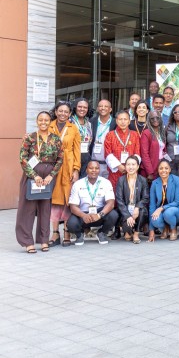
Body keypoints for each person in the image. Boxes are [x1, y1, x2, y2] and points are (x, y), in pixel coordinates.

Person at [16, 111, 63, 253]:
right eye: (41, 120)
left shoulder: (56, 139)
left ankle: (43, 240)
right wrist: (34, 176)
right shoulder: (30, 138)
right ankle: (27, 241)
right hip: (32, 176)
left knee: (45, 208)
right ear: (37, 121)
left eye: (46, 120)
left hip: (48, 177)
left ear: (50, 122)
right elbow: (23, 158)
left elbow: (60, 159)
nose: (44, 122)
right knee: (28, 209)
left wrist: (51, 176)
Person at [49, 101, 82, 248]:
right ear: (56, 112)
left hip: (68, 167)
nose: (63, 113)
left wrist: (76, 170)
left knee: (68, 200)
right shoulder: (49, 126)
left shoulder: (73, 128)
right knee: (54, 201)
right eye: (60, 111)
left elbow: (77, 151)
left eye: (66, 111)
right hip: (52, 167)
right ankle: (55, 232)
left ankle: (67, 231)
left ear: (69, 114)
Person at [67, 160, 119, 246]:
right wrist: (83, 215)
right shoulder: (78, 184)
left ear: (99, 170)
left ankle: (102, 233)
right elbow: (73, 207)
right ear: (86, 170)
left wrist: (99, 215)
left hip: (99, 214)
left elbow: (111, 203)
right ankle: (79, 235)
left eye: (96, 168)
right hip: (83, 214)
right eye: (91, 168)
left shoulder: (106, 182)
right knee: (71, 223)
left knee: (113, 215)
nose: (94, 170)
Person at [148, 160, 179, 242]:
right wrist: (151, 231)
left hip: (176, 210)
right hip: (162, 212)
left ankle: (173, 229)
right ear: (158, 170)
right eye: (161, 168)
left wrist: (161, 208)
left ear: (169, 169)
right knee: (154, 220)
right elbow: (152, 206)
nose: (163, 170)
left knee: (168, 212)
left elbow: (177, 201)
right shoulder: (155, 183)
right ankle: (165, 228)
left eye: (166, 168)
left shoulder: (176, 180)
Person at [104, 111, 141, 193]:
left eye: (125, 119)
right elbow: (107, 153)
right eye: (120, 119)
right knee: (115, 191)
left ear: (129, 121)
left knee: (130, 192)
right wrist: (118, 166)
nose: (123, 122)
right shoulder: (110, 135)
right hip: (116, 171)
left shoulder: (135, 134)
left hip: (131, 170)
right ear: (116, 121)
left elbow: (137, 152)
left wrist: (131, 166)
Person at [115, 156, 149, 244]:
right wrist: (127, 216)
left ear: (138, 166)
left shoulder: (143, 180)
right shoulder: (121, 180)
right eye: (128, 164)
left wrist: (137, 207)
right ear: (125, 166)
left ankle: (136, 234)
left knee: (143, 211)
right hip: (125, 209)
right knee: (127, 234)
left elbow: (145, 198)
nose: (131, 167)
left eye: (133, 164)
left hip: (136, 210)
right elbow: (119, 200)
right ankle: (128, 231)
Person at [89, 99, 116, 179]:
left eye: (106, 106)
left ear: (110, 109)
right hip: (94, 164)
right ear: (97, 108)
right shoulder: (91, 122)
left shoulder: (116, 123)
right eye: (100, 106)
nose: (103, 108)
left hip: (110, 165)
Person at [140, 112, 166, 183]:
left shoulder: (162, 132)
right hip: (150, 170)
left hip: (160, 167)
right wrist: (150, 172)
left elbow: (163, 150)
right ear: (149, 120)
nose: (155, 120)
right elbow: (144, 154)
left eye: (157, 118)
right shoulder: (146, 133)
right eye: (152, 118)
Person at [164, 104, 179, 178]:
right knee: (171, 182)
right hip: (170, 160)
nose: (177, 114)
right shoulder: (168, 126)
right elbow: (164, 142)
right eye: (175, 112)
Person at [71, 98, 92, 177]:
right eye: (80, 107)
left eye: (85, 107)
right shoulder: (70, 122)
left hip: (86, 157)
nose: (82, 109)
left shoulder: (88, 123)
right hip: (73, 157)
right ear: (75, 107)